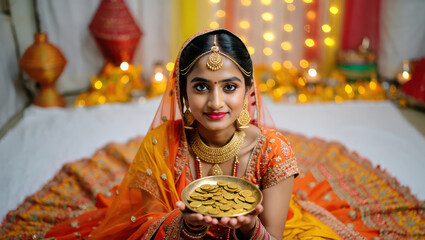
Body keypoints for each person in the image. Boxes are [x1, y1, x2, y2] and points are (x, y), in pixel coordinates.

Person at [45, 29, 299, 239]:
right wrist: (187, 227)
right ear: (183, 91)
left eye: (229, 87)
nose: (215, 102)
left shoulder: (273, 152)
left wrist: (249, 226)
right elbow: (147, 229)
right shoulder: (163, 143)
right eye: (201, 87)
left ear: (248, 90)